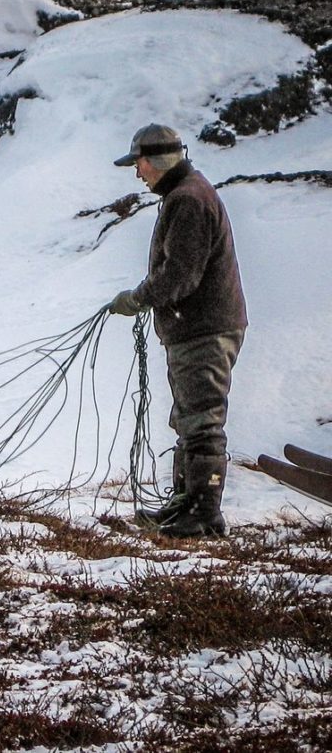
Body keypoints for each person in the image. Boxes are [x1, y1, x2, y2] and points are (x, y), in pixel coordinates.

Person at [109, 124, 247, 538]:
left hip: (204, 328)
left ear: (156, 161)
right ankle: (184, 503)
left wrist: (138, 297)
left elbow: (181, 275)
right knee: (189, 416)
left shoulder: (187, 199)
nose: (138, 174)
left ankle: (204, 514)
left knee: (202, 418)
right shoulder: (186, 193)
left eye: (139, 164)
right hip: (197, 327)